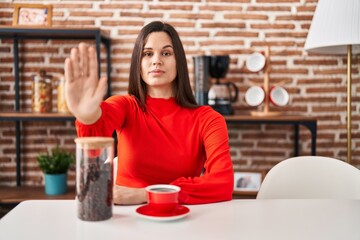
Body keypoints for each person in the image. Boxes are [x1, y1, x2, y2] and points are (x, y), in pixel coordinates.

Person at [64, 21, 234, 205]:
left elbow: (222, 183)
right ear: (138, 62)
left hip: (179, 217)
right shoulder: (125, 106)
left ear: (179, 62)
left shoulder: (208, 119)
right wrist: (87, 118)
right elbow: (95, 138)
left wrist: (147, 195)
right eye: (148, 53)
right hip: (125, 218)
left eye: (166, 53)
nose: (156, 60)